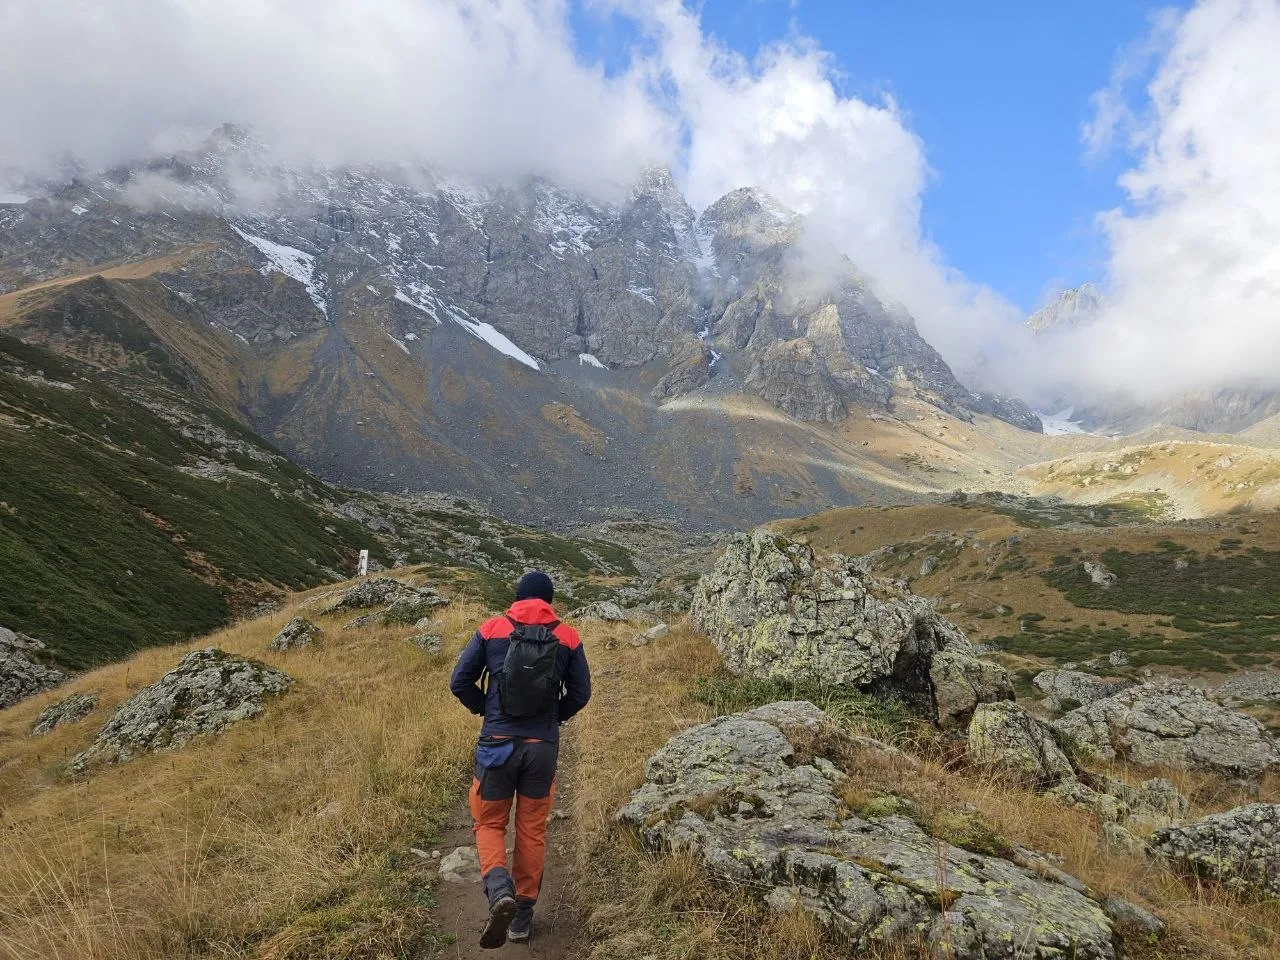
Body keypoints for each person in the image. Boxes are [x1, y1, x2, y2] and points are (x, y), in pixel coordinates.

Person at [449, 570, 591, 948]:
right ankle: (521, 919)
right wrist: (555, 717)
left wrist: (487, 710)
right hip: (541, 748)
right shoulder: (568, 636)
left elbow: (459, 681)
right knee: (531, 829)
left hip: (497, 743)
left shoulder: (492, 628)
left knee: (490, 824)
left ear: (517, 597)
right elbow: (581, 693)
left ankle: (499, 893)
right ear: (549, 601)